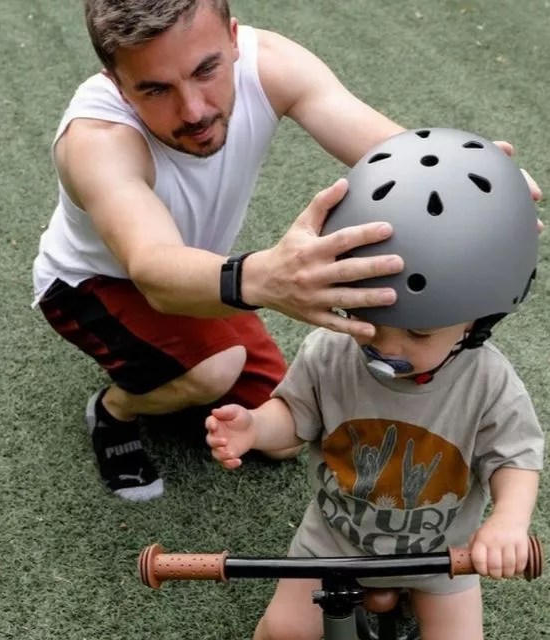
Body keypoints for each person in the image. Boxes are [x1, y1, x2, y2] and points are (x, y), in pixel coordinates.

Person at [32, 0, 541, 503]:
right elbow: (152, 270)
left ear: (233, 38)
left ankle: (172, 363)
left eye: (206, 69)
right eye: (155, 88)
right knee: (215, 370)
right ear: (118, 84)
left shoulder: (271, 63)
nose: (194, 110)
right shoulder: (97, 140)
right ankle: (115, 408)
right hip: (93, 284)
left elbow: (393, 152)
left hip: (203, 268)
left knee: (281, 434)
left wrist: (471, 184)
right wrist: (265, 279)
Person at [206, 128, 544, 640]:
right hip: (333, 540)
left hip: (441, 552)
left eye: (415, 330)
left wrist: (509, 522)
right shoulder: (332, 352)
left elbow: (515, 460)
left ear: (479, 317)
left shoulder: (487, 381)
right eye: (371, 321)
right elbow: (295, 415)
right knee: (281, 630)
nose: (387, 347)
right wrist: (256, 427)